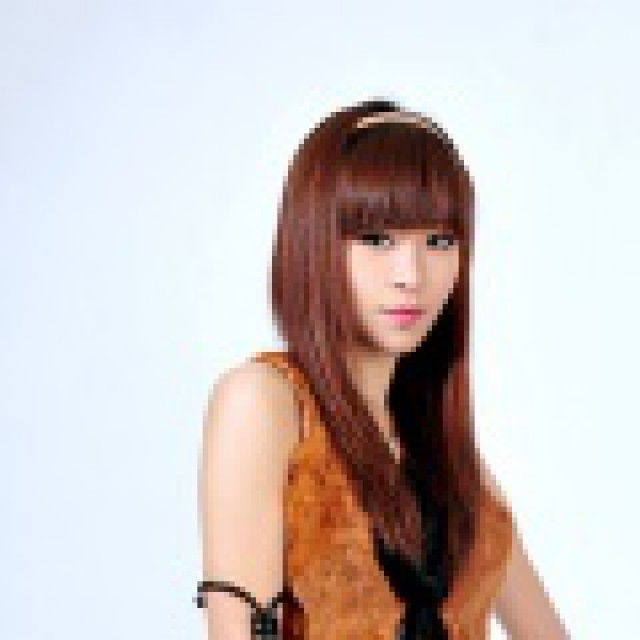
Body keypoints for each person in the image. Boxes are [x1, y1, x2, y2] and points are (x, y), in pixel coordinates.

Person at [195, 98, 570, 638]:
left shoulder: (447, 454)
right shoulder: (265, 403)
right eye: (376, 239)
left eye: (439, 240)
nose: (410, 275)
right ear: (313, 243)